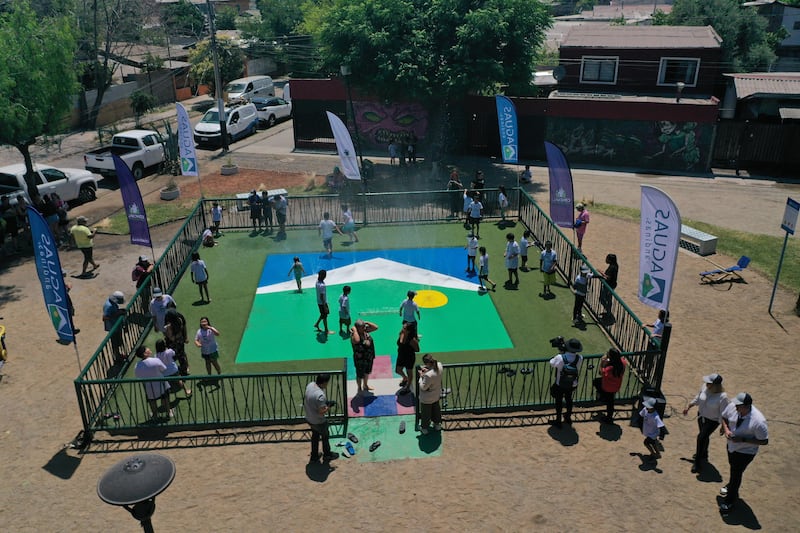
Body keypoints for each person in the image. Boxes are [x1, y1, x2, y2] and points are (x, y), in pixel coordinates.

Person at [718, 392, 769, 513]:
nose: (735, 407)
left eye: (738, 406)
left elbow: (764, 441)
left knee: (736, 473)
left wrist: (743, 440)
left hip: (745, 452)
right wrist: (725, 429)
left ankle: (730, 501)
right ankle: (731, 485)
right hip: (731, 447)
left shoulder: (758, 421)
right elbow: (724, 417)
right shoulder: (733, 407)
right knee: (734, 469)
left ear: (746, 406)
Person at [683, 373, 729, 473]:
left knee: (701, 437)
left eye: (709, 383)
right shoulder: (704, 387)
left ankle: (697, 463)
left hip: (712, 421)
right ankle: (704, 453)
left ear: (715, 385)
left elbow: (724, 413)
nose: (706, 384)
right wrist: (689, 406)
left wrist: (723, 426)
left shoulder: (723, 397)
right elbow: (698, 397)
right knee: (704, 437)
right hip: (701, 417)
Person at [549, 338, 583, 428]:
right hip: (572, 383)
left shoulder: (560, 357)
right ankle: (568, 417)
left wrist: (560, 353)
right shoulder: (579, 358)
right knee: (569, 399)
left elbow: (552, 363)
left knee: (558, 401)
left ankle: (558, 420)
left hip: (560, 383)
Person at [304, 374, 338, 463]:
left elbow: (313, 401)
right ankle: (327, 455)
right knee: (325, 436)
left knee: (315, 436)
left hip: (309, 417)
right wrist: (328, 406)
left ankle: (314, 456)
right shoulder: (320, 395)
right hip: (318, 421)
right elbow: (321, 411)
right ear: (324, 383)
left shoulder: (310, 385)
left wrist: (325, 403)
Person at [134, 345, 172, 420]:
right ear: (145, 353)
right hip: (161, 384)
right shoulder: (155, 360)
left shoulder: (137, 366)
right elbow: (164, 369)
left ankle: (155, 415)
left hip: (149, 387)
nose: (149, 348)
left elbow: (138, 376)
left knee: (152, 401)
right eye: (146, 349)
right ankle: (168, 412)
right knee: (165, 398)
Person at [593, 348, 627, 423]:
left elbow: (600, 372)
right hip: (616, 386)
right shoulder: (623, 363)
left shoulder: (609, 369)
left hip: (607, 387)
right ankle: (609, 417)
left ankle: (602, 398)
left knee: (596, 382)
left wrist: (602, 362)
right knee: (610, 402)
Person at [418, 353, 444, 434]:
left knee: (425, 413)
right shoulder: (439, 366)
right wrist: (427, 371)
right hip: (436, 395)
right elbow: (434, 373)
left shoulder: (428, 375)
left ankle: (424, 428)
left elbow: (423, 387)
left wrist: (421, 376)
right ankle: (437, 425)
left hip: (427, 398)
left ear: (426, 363)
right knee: (436, 410)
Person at [351, 319, 378, 394]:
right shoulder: (354, 334)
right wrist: (355, 330)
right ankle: (359, 387)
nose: (364, 327)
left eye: (364, 326)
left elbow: (376, 327)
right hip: (360, 359)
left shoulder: (365, 331)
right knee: (359, 374)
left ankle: (365, 385)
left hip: (368, 356)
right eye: (362, 327)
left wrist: (367, 322)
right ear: (357, 328)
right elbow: (357, 341)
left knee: (367, 372)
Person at [102, 291, 127, 362]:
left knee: (118, 342)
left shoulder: (113, 303)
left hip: (116, 325)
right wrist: (117, 314)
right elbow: (105, 317)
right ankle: (117, 358)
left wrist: (119, 312)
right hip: (112, 327)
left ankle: (118, 355)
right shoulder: (108, 306)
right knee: (115, 343)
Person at [395, 322, 420, 394]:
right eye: (403, 327)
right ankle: (405, 378)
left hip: (409, 357)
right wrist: (402, 333)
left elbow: (417, 350)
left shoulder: (412, 340)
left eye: (404, 328)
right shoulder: (402, 333)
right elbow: (401, 342)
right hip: (401, 355)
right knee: (398, 370)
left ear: (409, 331)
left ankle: (408, 387)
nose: (403, 329)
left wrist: (411, 347)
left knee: (409, 372)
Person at [164, 308, 189, 376]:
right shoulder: (167, 319)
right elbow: (170, 337)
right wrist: (168, 330)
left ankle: (184, 369)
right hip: (171, 342)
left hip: (179, 340)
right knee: (172, 356)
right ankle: (172, 371)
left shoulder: (180, 317)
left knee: (182, 355)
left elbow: (184, 327)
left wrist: (185, 337)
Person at [640, 397, 666, 461]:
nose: (646, 407)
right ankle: (658, 453)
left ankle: (653, 454)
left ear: (653, 408)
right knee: (653, 443)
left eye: (648, 406)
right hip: (648, 431)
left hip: (653, 433)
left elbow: (661, 426)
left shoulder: (656, 417)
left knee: (646, 443)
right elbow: (641, 415)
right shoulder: (645, 409)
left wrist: (662, 436)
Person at [313, 270, 333, 335]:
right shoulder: (322, 285)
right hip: (322, 303)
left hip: (319, 302)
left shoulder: (317, 282)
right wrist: (325, 306)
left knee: (323, 314)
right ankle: (326, 330)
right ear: (323, 276)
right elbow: (322, 297)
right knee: (325, 316)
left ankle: (317, 324)